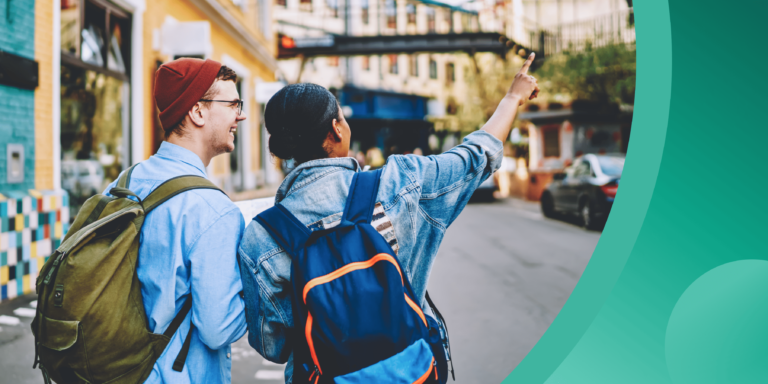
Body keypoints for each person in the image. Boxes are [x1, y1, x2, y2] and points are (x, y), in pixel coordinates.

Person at [238, 53, 539, 382]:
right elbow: (476, 156)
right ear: (336, 129)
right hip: (410, 371)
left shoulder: (262, 236)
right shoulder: (400, 180)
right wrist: (513, 97)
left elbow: (273, 345)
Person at [103, 58, 248, 384]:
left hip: (115, 372)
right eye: (232, 104)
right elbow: (218, 328)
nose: (240, 115)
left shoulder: (123, 183)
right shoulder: (213, 209)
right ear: (198, 112)